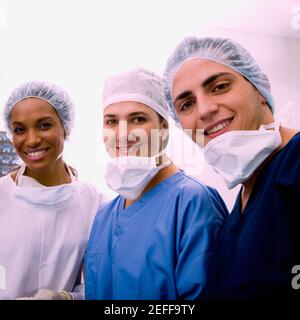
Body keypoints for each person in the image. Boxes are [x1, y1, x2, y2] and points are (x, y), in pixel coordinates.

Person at [163, 36, 300, 299]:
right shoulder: (242, 205)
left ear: (261, 88)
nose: (204, 110)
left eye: (220, 86)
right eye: (187, 104)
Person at [84, 68, 229, 300]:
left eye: (138, 119)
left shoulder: (193, 202)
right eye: (111, 121)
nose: (123, 134)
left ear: (164, 128)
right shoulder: (104, 215)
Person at [0, 81, 107, 300]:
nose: (32, 140)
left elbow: (103, 287)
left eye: (44, 125)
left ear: (65, 127)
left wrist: (67, 298)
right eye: (20, 130)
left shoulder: (96, 205)